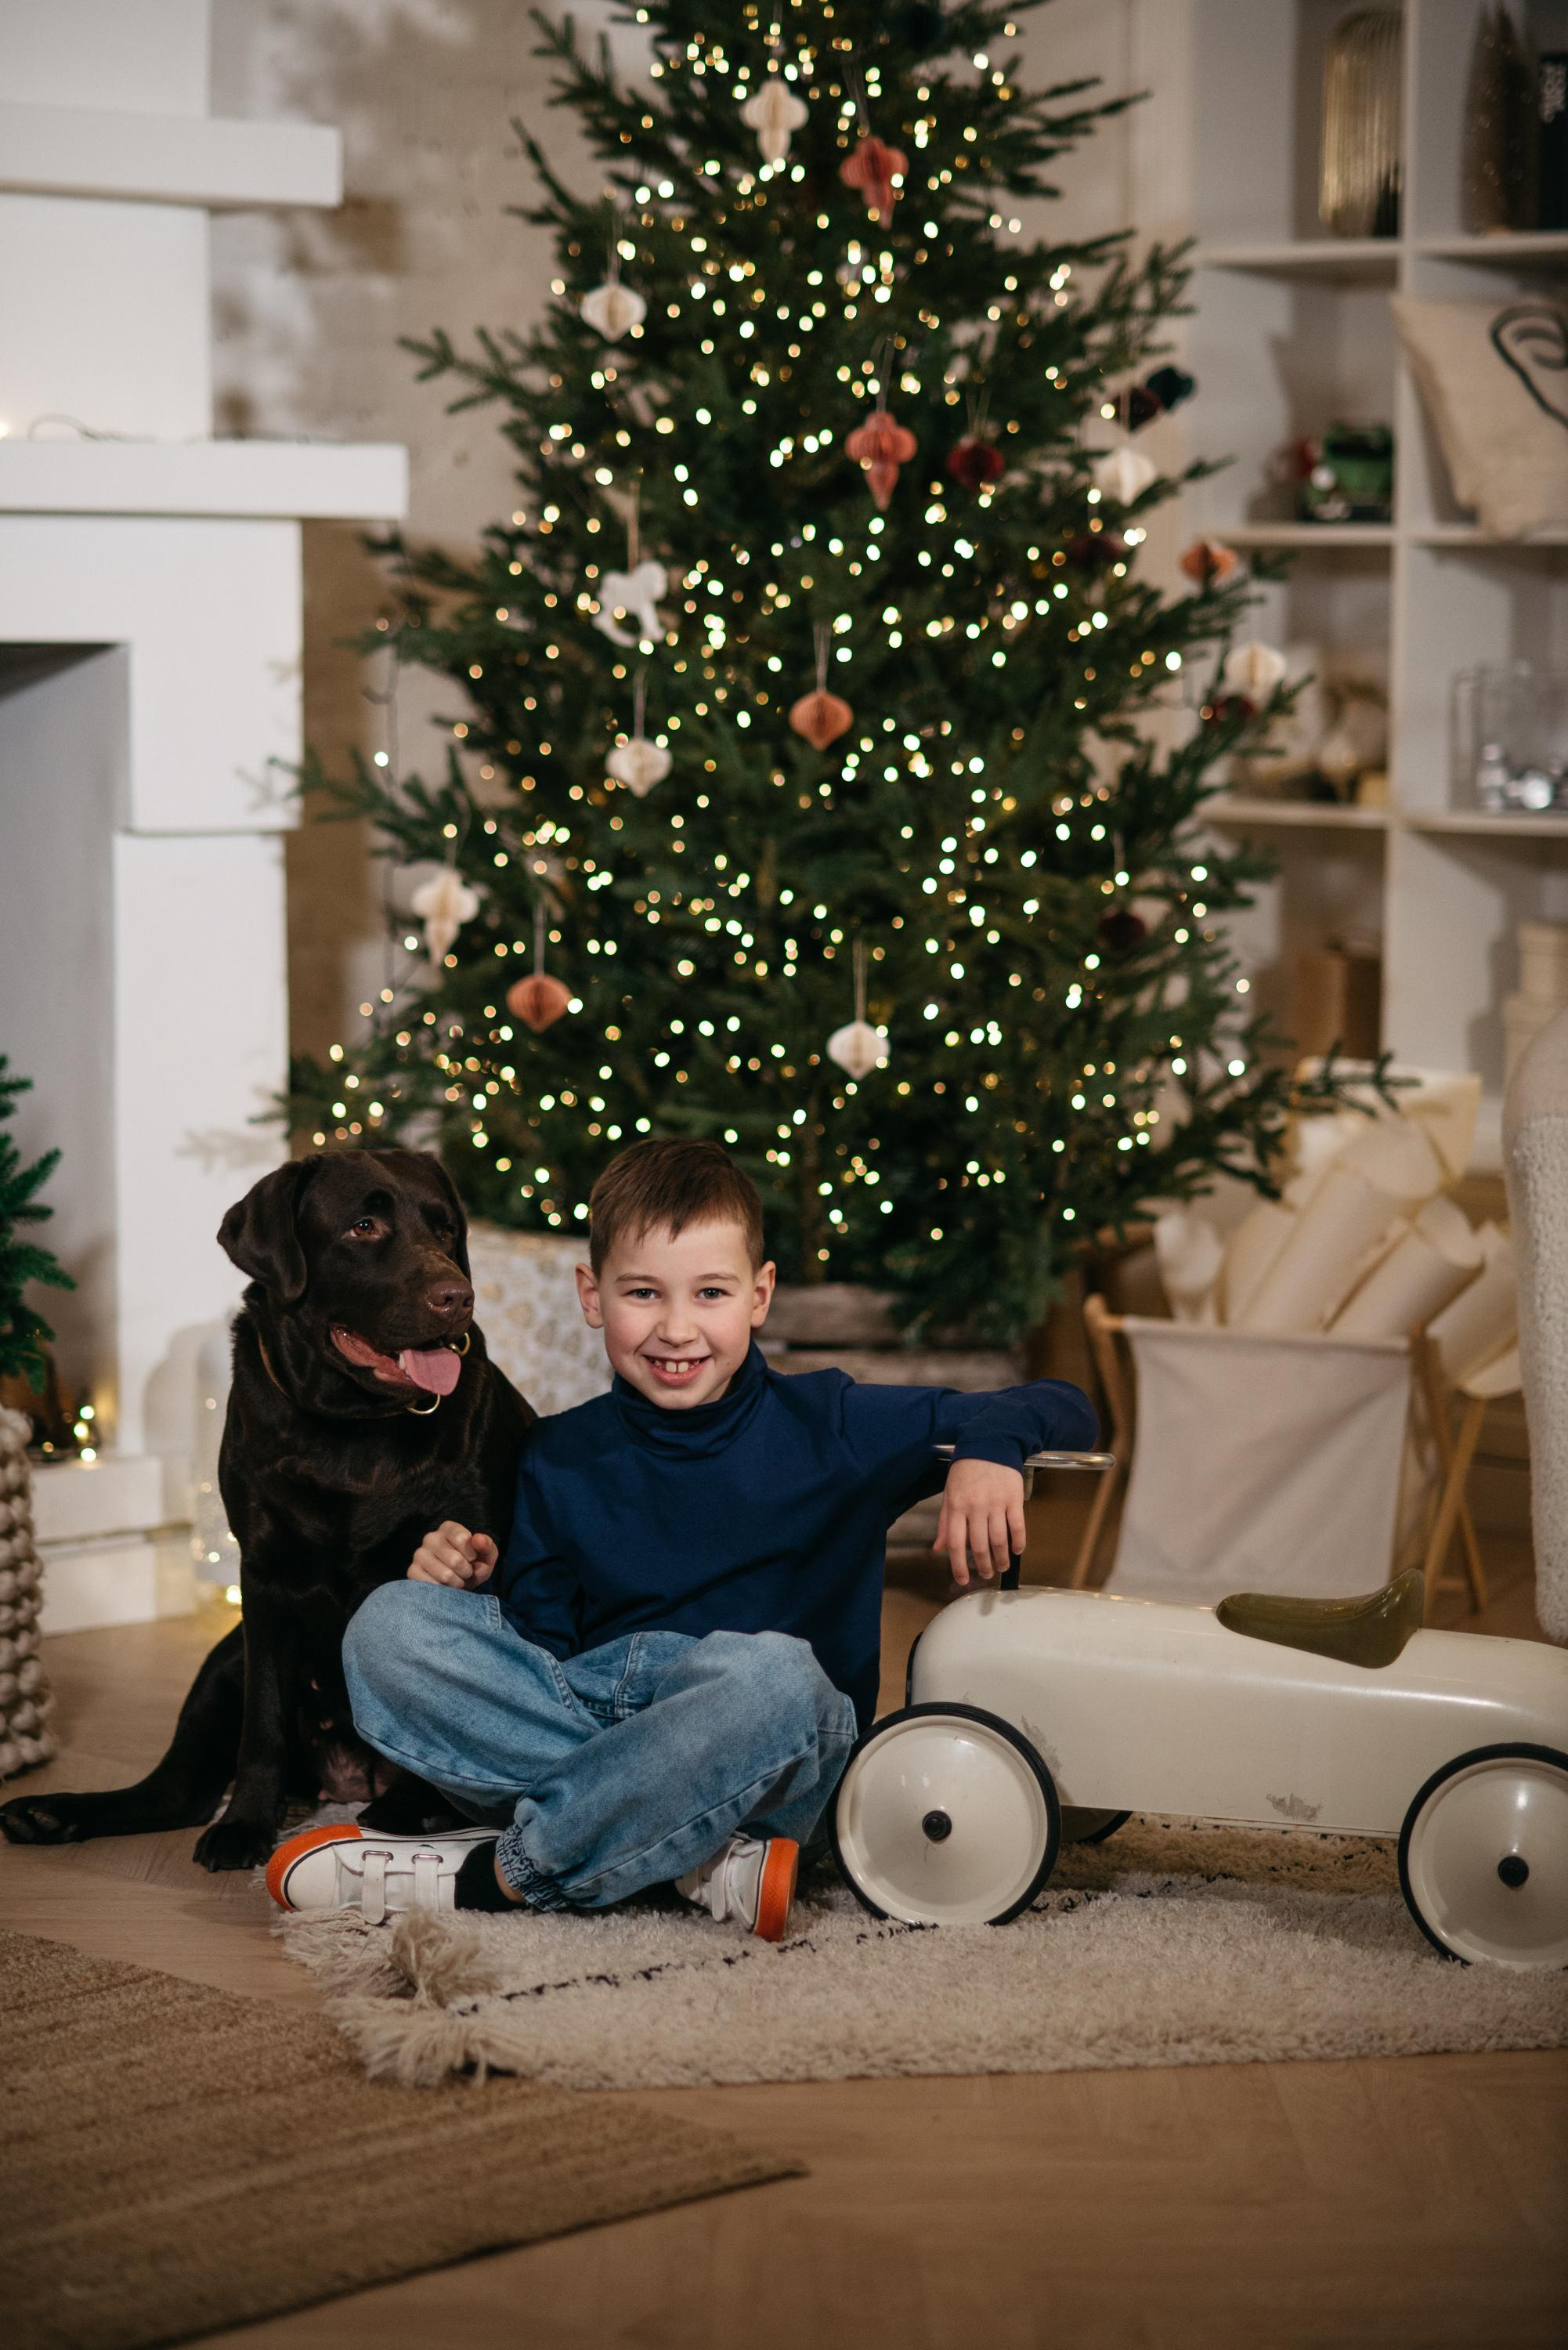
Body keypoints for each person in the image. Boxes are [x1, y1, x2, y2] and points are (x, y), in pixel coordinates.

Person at [267, 1138, 1097, 1938]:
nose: (675, 1329)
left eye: (710, 1293)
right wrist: (473, 1588)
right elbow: (544, 1654)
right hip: (602, 1706)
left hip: (769, 1744)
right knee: (391, 1624)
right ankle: (685, 1854)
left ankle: (504, 1872)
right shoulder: (556, 1454)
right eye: (642, 1294)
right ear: (592, 1297)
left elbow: (1064, 1402)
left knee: (775, 1675)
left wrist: (988, 1451)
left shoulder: (834, 1424)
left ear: (759, 1295)